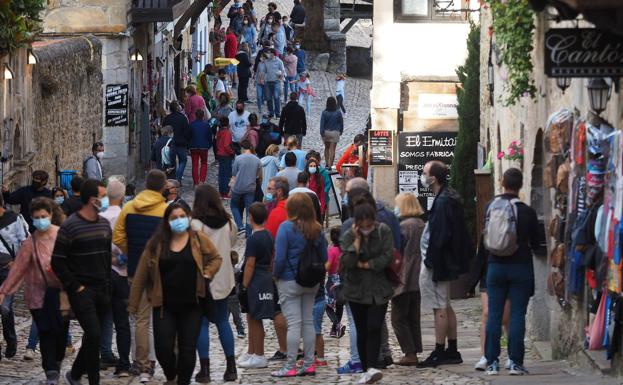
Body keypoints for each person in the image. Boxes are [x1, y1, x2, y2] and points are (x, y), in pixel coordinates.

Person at [128, 203, 222, 385]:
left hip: (192, 305)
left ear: (188, 218)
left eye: (181, 216)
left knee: (187, 349)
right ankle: (171, 376)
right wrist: (133, 303)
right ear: (167, 221)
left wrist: (207, 272)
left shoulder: (197, 239)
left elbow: (215, 258)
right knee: (163, 349)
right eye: (173, 218)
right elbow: (140, 275)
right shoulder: (156, 243)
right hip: (164, 306)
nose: (178, 221)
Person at [484, 168, 544, 376]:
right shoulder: (527, 212)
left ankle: (491, 362)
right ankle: (515, 363)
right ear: (521, 185)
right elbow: (536, 244)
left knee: (494, 314)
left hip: (495, 266)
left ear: (502, 183)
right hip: (520, 267)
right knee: (517, 315)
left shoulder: (490, 207)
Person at [51, 179, 112, 385]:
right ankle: (93, 381)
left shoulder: (104, 224)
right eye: (103, 196)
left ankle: (75, 373)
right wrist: (76, 286)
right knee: (93, 334)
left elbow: (106, 256)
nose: (106, 200)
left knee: (93, 337)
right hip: (82, 290)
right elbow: (57, 262)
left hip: (102, 288)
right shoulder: (70, 226)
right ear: (92, 199)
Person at [0, 198, 66, 384]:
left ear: (51, 215)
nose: (40, 220)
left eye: (43, 216)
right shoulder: (30, 243)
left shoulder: (62, 236)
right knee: (45, 332)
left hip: (61, 294)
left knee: (60, 332)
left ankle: (57, 360)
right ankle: (50, 371)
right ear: (32, 218)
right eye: (36, 217)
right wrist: (4, 291)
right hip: (38, 295)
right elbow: (18, 270)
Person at [113, 170, 168, 383]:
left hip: (136, 268)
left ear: (146, 184)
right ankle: (163, 359)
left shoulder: (128, 208)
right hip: (162, 271)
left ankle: (143, 362)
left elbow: (118, 237)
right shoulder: (165, 210)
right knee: (164, 316)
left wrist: (134, 252)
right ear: (162, 187)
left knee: (141, 319)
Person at [417, 161, 472, 368]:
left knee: (439, 307)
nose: (423, 176)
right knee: (445, 305)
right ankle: (452, 349)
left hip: (437, 263)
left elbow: (440, 236)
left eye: (425, 173)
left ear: (434, 178)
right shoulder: (447, 197)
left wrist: (431, 261)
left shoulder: (442, 202)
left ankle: (440, 351)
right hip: (443, 261)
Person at [271, 193, 328, 377]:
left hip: (288, 279)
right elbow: (325, 257)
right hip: (311, 281)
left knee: (294, 324)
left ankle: (290, 366)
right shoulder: (317, 229)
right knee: (308, 322)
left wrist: (276, 276)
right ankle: (309, 364)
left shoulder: (286, 228)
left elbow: (279, 258)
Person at [341, 203, 393, 384]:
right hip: (356, 290)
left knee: (374, 327)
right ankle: (365, 369)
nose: (366, 228)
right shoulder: (349, 234)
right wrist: (356, 243)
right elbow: (346, 261)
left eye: (368, 224)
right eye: (362, 225)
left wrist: (367, 265)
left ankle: (372, 367)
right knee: (362, 330)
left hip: (379, 289)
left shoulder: (382, 231)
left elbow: (387, 257)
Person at [191, 185, 239, 383]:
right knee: (222, 321)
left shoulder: (194, 224)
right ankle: (231, 367)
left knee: (201, 324)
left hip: (203, 279)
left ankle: (205, 369)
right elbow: (233, 242)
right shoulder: (227, 222)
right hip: (223, 279)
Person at [98, 180, 131, 377]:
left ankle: (101, 354)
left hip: (102, 272)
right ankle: (124, 364)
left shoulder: (99, 217)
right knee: (122, 322)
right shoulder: (125, 216)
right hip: (122, 272)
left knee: (100, 318)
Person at [238, 203, 274, 369]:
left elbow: (250, 264)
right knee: (251, 316)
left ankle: (259, 355)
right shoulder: (268, 235)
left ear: (250, 217)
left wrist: (244, 286)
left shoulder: (253, 239)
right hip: (265, 278)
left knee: (256, 318)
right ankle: (252, 351)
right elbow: (272, 259)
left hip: (255, 281)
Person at [391, 193, 425, 366]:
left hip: (405, 275)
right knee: (413, 315)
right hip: (418, 275)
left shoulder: (404, 226)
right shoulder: (421, 224)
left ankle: (410, 352)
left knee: (398, 317)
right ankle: (414, 350)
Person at [0, 193, 29, 361]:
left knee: (4, 308)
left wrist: (17, 262)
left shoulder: (15, 219)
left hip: (8, 270)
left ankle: (11, 339)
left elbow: (26, 242)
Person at [230, 140, 262, 237]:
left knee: (234, 205)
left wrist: (230, 188)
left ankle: (240, 226)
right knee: (249, 211)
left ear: (242, 148)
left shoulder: (238, 159)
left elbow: (234, 174)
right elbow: (259, 176)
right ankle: (248, 233)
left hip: (238, 187)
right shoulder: (257, 160)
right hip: (250, 188)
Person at [163, 101, 191, 183]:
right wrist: (187, 143)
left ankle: (172, 178)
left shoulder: (167, 118)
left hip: (170, 143)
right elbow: (187, 131)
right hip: (181, 143)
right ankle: (178, 178)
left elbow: (163, 130)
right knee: (183, 160)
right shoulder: (183, 118)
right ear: (178, 108)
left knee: (171, 162)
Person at [325, 227, 345, 339]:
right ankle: (334, 329)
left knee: (326, 304)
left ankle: (337, 324)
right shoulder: (344, 250)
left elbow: (328, 265)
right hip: (343, 279)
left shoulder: (331, 251)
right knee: (339, 304)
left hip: (332, 279)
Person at [258, 48, 286, 118]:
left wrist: (281, 76)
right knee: (268, 98)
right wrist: (261, 79)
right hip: (268, 82)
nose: (268, 54)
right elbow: (263, 71)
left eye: (269, 53)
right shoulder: (266, 61)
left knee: (276, 97)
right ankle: (271, 112)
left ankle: (277, 113)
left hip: (276, 82)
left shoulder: (279, 61)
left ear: (273, 54)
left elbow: (283, 70)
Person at [190, 109, 213, 186]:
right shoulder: (206, 125)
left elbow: (188, 136)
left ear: (195, 115)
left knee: (195, 165)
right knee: (204, 163)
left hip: (193, 146)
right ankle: (202, 181)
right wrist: (209, 145)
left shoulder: (191, 124)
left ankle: (196, 182)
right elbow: (209, 136)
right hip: (204, 147)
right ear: (203, 116)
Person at [320, 97, 344, 169]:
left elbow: (322, 124)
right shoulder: (338, 112)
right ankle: (330, 165)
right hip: (335, 132)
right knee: (332, 149)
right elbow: (341, 123)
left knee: (326, 148)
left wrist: (322, 133)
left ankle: (327, 163)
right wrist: (341, 131)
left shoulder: (324, 113)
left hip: (326, 132)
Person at [216, 117, 235, 199]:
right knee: (226, 174)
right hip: (226, 155)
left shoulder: (219, 132)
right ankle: (225, 192)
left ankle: (221, 192)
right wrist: (232, 152)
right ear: (227, 123)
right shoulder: (227, 133)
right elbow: (226, 145)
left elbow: (217, 143)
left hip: (220, 154)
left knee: (221, 174)